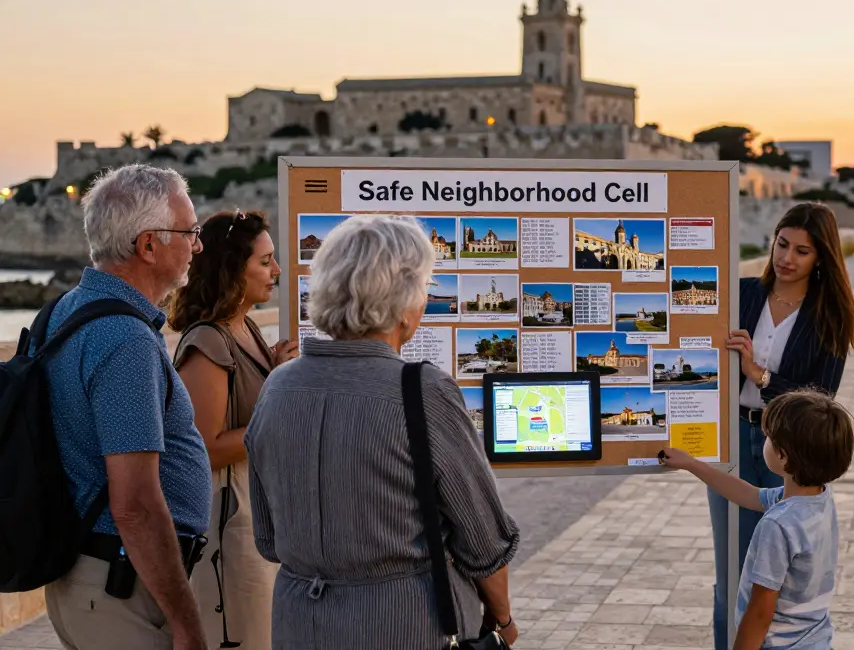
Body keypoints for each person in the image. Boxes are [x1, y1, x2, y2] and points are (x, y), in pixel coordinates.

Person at [244, 214, 521, 649]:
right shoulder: (423, 390)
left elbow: (269, 538)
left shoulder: (278, 387)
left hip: (300, 624)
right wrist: (502, 620)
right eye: (425, 287)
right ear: (403, 299)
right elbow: (484, 542)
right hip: (405, 625)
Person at [41, 164, 212, 649]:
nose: (197, 245)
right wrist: (186, 622)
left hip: (90, 576)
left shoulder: (63, 310)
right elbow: (135, 505)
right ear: (148, 246)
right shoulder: (125, 340)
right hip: (120, 586)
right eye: (190, 232)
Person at [709, 201, 854, 650]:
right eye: (781, 244)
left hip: (790, 448)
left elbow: (822, 399)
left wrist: (759, 374)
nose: (786, 258)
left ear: (822, 258)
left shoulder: (830, 314)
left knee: (778, 578)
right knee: (731, 573)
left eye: (802, 251)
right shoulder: (739, 295)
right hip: (735, 436)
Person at [168, 209, 299, 649]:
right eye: (265, 262)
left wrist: (276, 372)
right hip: (230, 534)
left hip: (259, 523)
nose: (277, 271)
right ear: (231, 269)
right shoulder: (208, 342)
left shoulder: (246, 329)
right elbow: (202, 450)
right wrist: (278, 398)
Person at [662, 390, 854, 650]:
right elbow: (749, 494)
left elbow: (761, 612)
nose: (764, 440)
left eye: (769, 437)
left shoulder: (777, 525)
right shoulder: (818, 499)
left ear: (783, 456)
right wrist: (693, 464)